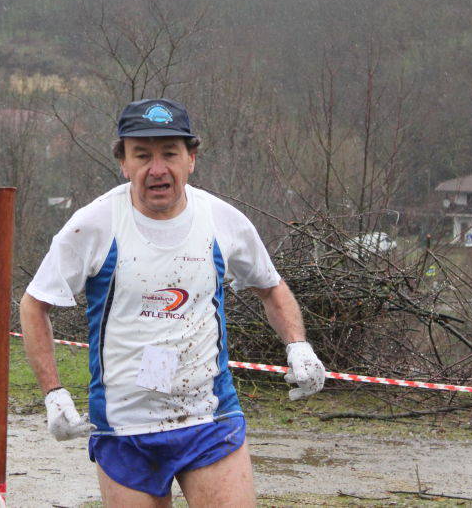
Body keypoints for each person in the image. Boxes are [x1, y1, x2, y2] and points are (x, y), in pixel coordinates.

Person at [20, 98, 326, 507]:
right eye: (142, 155)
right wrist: (54, 394)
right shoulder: (94, 224)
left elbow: (271, 287)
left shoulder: (222, 220)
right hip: (125, 427)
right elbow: (35, 303)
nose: (157, 168)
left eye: (170, 153)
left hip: (208, 419)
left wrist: (298, 345)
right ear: (123, 163)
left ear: (191, 159)